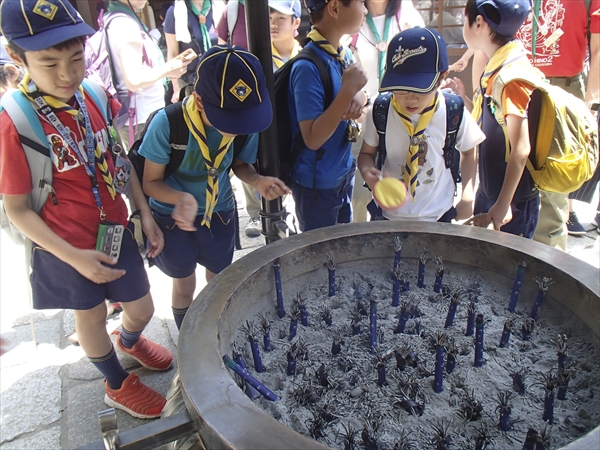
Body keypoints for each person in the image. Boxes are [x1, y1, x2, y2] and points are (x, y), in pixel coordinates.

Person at [0, 0, 172, 419]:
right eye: (48, 63)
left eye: (76, 58)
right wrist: (74, 257)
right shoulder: (14, 122)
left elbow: (116, 155)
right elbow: (17, 211)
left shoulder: (93, 93)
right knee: (91, 316)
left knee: (143, 308)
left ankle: (128, 342)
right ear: (18, 57)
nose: (66, 74)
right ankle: (116, 382)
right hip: (65, 246)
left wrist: (143, 211)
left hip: (115, 229)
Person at [139, 45, 291, 329]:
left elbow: (240, 165)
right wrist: (179, 198)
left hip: (219, 213)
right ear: (198, 101)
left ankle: (215, 331)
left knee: (220, 280)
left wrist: (257, 180)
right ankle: (187, 336)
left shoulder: (246, 125)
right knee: (184, 284)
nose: (237, 128)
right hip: (173, 219)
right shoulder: (168, 124)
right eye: (228, 121)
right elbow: (150, 182)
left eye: (243, 121)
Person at [358, 28, 484, 222]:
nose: (410, 98)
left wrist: (468, 196)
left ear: (442, 77)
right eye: (401, 89)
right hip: (388, 216)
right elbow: (366, 153)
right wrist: (370, 176)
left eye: (420, 89)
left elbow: (469, 151)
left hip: (438, 214)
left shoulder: (452, 110)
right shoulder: (381, 109)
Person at [515, 0, 600, 245]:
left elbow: (597, 48)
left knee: (553, 184)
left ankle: (548, 267)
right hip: (513, 82)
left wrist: (591, 104)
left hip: (562, 88)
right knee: (507, 178)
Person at [287, 0, 368, 232]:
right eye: (360, 2)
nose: (364, 9)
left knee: (339, 247)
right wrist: (347, 93)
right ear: (334, 8)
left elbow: (359, 92)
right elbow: (312, 138)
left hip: (341, 172)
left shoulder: (340, 52)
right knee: (321, 255)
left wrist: (359, 97)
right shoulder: (307, 66)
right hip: (317, 185)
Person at [464, 0, 540, 238]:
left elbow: (521, 147)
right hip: (492, 189)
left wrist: (503, 203)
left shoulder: (510, 77)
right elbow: (491, 123)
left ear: (479, 23)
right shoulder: (498, 66)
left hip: (512, 202)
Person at [349, 0, 424, 223]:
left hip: (403, 119)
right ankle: (360, 246)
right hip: (362, 122)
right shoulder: (351, 17)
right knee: (359, 197)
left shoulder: (409, 18)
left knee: (402, 194)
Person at [242, 0, 302, 238]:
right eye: (269, 18)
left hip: (292, 129)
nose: (273, 24)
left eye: (280, 18)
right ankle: (256, 213)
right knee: (254, 164)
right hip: (262, 130)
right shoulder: (255, 57)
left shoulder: (304, 57)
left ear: (296, 22)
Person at [105, 0, 192, 148]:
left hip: (139, 116)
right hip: (139, 119)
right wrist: (169, 69)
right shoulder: (125, 24)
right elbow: (134, 80)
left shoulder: (118, 18)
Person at [164, 0, 218, 103]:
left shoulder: (219, 7)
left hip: (220, 78)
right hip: (191, 84)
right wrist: (176, 89)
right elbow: (172, 54)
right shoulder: (174, 11)